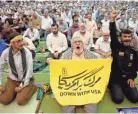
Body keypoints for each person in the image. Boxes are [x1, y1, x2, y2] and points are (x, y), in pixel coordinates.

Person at [60, 37, 97, 113]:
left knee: (92, 111)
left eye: (80, 41)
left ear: (83, 45)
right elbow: (59, 70)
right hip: (70, 87)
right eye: (75, 42)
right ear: (72, 45)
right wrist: (51, 62)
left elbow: (99, 67)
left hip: (87, 87)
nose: (77, 43)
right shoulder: (65, 56)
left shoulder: (91, 56)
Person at [108, 11, 138, 104]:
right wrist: (112, 19)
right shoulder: (116, 46)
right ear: (121, 38)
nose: (127, 38)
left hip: (127, 79)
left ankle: (125, 89)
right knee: (118, 99)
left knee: (135, 98)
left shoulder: (134, 51)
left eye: (129, 36)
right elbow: (112, 33)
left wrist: (131, 78)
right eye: (125, 36)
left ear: (131, 37)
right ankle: (115, 88)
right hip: (115, 80)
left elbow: (135, 68)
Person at [0, 35, 37, 105]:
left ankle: (33, 87)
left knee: (20, 101)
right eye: (18, 41)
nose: (22, 43)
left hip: (26, 80)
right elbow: (0, 68)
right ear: (11, 43)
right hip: (12, 80)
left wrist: (21, 86)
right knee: (3, 100)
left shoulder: (27, 53)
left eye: (22, 40)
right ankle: (14, 92)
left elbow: (29, 71)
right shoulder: (5, 53)